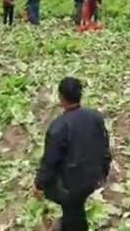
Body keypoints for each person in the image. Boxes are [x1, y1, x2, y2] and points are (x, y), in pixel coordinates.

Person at [35, 77, 111, 231]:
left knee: (71, 206)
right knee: (75, 207)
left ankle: (72, 224)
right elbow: (105, 147)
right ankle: (70, 221)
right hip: (94, 176)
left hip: (72, 185)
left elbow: (49, 162)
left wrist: (39, 184)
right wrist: (104, 171)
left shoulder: (58, 126)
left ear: (61, 97)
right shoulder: (95, 116)